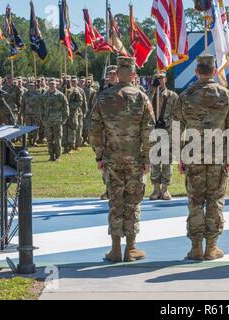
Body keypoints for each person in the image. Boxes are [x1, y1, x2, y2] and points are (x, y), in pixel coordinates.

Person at [175, 54, 229, 261]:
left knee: (195, 201)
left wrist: (180, 157)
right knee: (215, 201)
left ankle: (196, 247)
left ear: (197, 72)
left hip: (193, 155)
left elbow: (176, 129)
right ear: (214, 71)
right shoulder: (226, 95)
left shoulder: (186, 96)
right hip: (218, 157)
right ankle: (211, 247)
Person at [90, 56, 155, 263]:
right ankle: (131, 248)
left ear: (117, 73)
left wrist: (99, 155)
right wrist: (147, 158)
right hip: (135, 159)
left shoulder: (103, 97)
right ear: (134, 75)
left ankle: (115, 249)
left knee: (115, 201)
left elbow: (94, 130)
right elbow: (149, 131)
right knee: (133, 202)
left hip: (112, 158)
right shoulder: (141, 97)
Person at [147, 72, 179, 201]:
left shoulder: (172, 96)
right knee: (154, 161)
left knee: (167, 161)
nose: (159, 81)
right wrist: (153, 89)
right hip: (153, 132)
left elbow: (177, 115)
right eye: (156, 78)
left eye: (160, 78)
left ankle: (165, 189)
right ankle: (156, 189)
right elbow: (145, 104)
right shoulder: (149, 95)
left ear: (165, 79)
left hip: (168, 132)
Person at [42, 79, 69, 161]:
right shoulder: (45, 95)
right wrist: (42, 119)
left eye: (53, 84)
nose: (51, 85)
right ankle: (51, 155)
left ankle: (57, 156)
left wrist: (64, 119)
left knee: (57, 139)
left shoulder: (61, 95)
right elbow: (41, 108)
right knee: (49, 139)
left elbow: (66, 108)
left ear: (56, 85)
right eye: (50, 84)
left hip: (57, 120)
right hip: (48, 121)